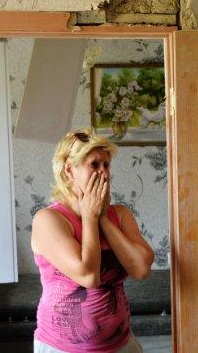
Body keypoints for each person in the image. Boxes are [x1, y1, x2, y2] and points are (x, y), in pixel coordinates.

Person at [31, 127, 155, 353]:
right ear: (69, 170)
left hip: (121, 344)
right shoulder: (48, 219)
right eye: (94, 165)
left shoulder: (120, 215)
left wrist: (103, 218)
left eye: (106, 165)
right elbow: (88, 276)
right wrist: (89, 217)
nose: (104, 173)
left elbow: (141, 268)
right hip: (62, 347)